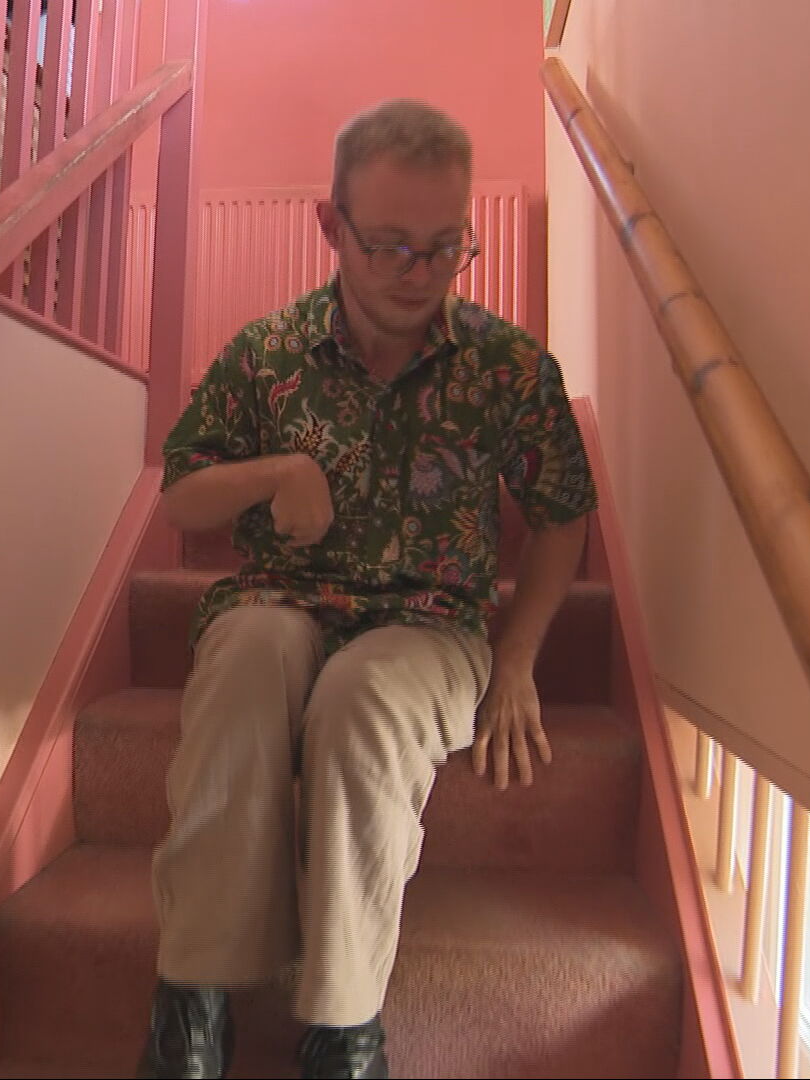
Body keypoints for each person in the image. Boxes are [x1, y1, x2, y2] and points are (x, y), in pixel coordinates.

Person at [137, 99, 597, 1080]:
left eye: (444, 247)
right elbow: (180, 489)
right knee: (247, 663)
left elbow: (562, 512)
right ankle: (193, 1002)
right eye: (388, 245)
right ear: (330, 225)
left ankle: (344, 1029)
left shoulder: (510, 369)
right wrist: (275, 472)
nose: (417, 274)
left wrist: (517, 659)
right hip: (277, 601)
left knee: (361, 703)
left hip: (429, 625)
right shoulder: (266, 354)